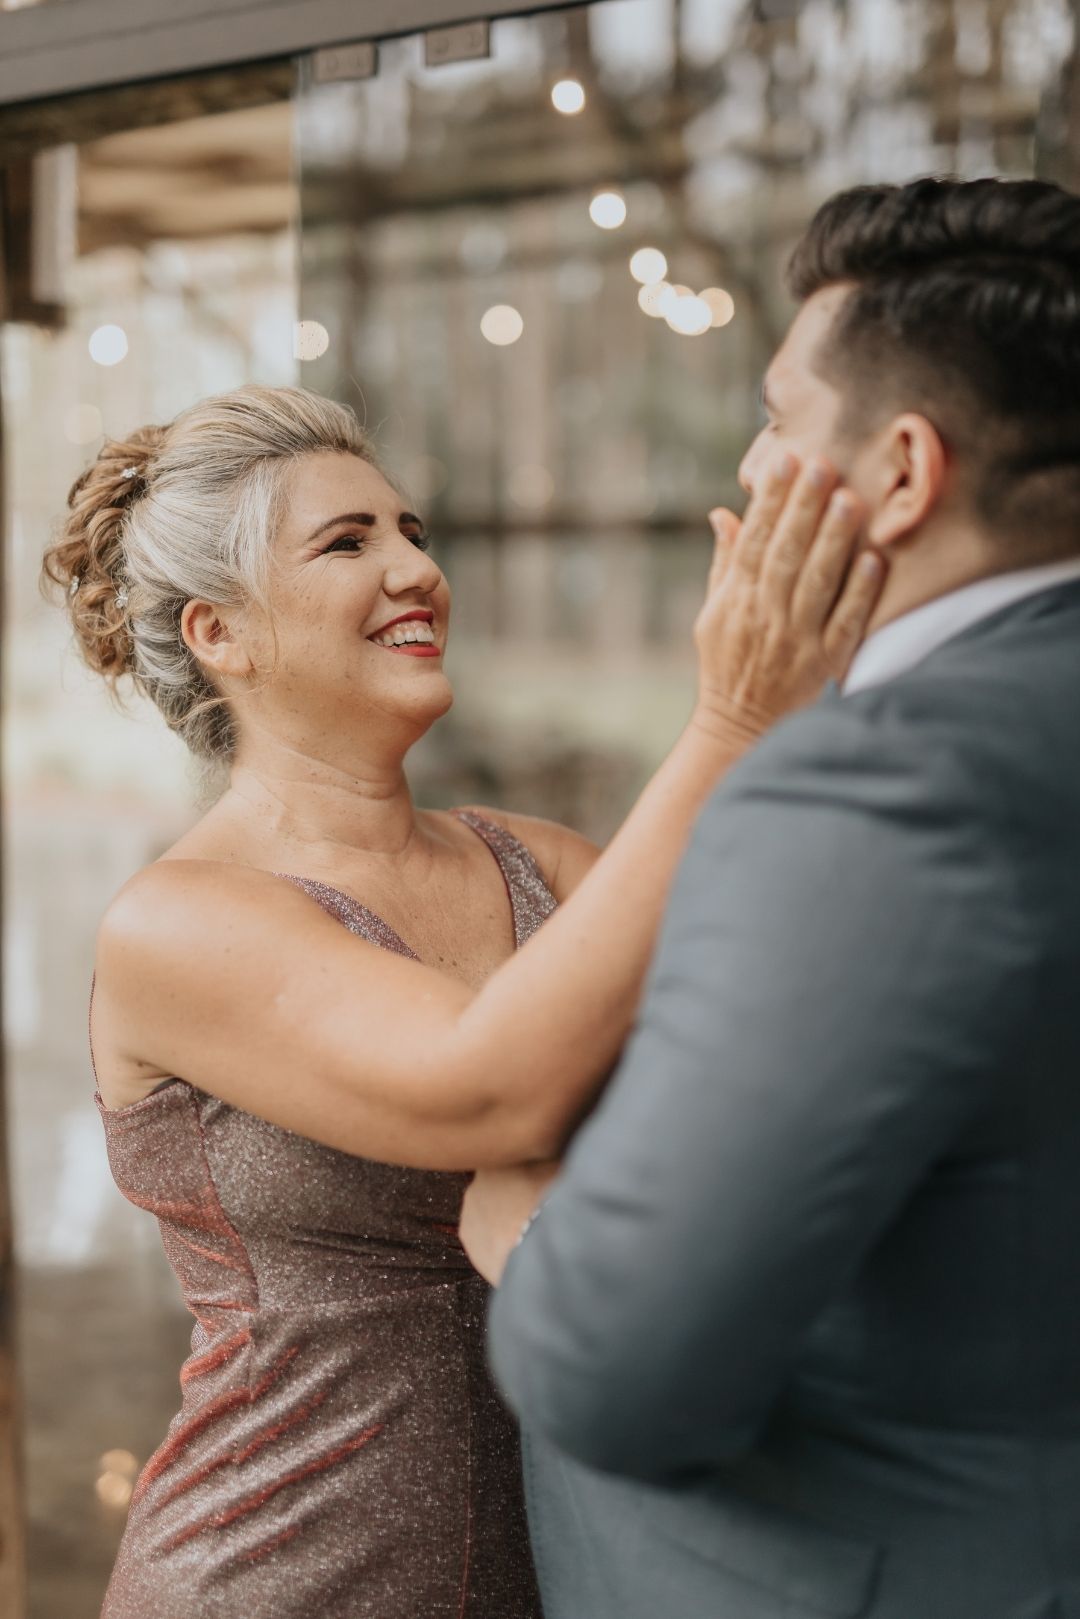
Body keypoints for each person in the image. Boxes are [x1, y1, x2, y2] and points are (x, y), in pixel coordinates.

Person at [42, 382, 880, 1618]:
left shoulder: (546, 865)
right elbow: (490, 1088)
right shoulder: (176, 921)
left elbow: (776, 1063)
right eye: (348, 542)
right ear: (221, 633)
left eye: (412, 531)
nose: (416, 571)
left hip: (567, 1571)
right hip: (272, 1575)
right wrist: (735, 717)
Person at [465, 175, 1080, 1619]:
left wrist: (532, 1232)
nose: (749, 463)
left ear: (902, 472)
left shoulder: (884, 783)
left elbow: (618, 1371)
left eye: (778, 416)